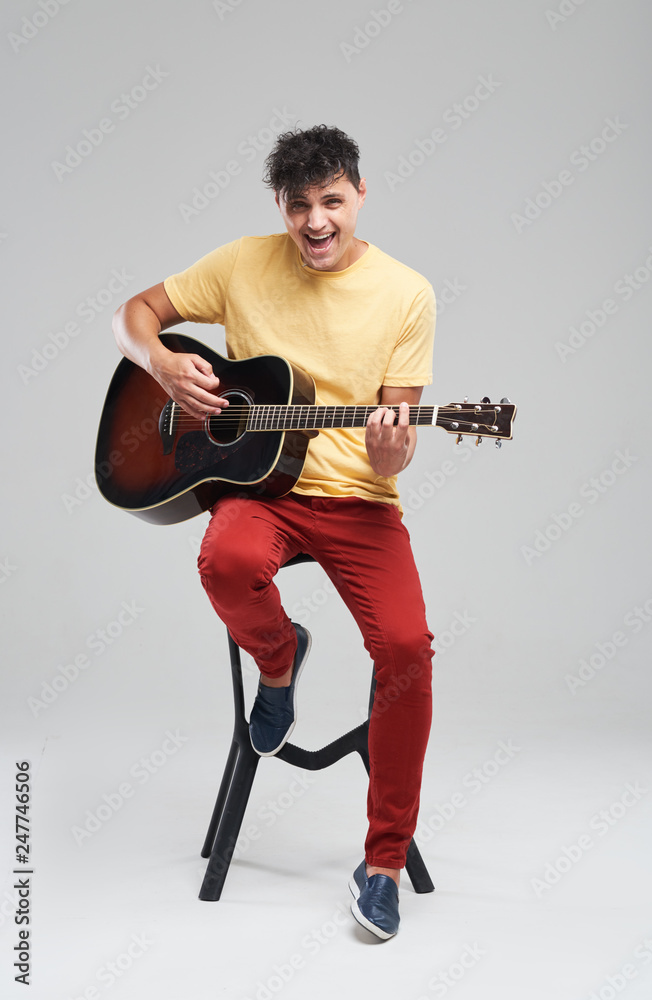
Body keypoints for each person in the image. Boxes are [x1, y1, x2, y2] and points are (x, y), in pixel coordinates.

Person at [112, 124, 436, 940]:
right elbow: (135, 313)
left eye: (332, 201)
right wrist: (159, 362)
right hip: (264, 490)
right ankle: (280, 659)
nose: (317, 221)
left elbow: (392, 429)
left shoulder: (408, 293)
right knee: (225, 559)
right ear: (281, 210)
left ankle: (384, 862)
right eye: (300, 207)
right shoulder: (242, 262)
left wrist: (394, 445)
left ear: (360, 195)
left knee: (406, 649)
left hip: (360, 502)